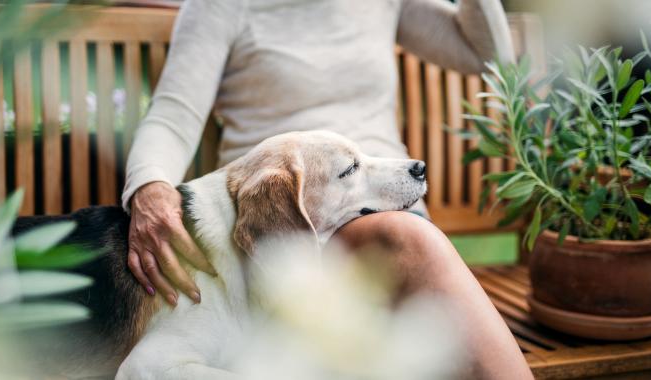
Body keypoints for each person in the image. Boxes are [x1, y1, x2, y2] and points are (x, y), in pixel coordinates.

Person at [122, 0, 533, 378]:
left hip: (385, 199)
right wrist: (150, 188)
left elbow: (487, 56)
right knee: (409, 240)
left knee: (408, 246)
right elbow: (174, 116)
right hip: (284, 218)